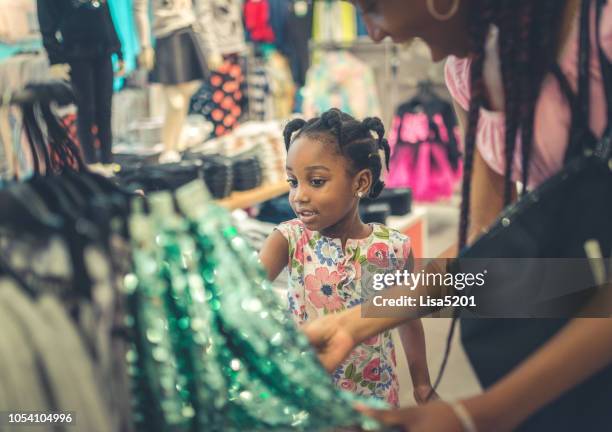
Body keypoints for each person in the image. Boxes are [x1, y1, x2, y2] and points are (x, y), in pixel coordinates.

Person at [303, 0, 612, 431]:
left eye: (372, 9)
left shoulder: (600, 35)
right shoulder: (469, 71)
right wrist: (353, 322)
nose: (372, 34)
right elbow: (479, 244)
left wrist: (479, 414)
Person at [259, 108, 438, 406]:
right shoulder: (289, 240)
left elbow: (407, 317)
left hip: (375, 395)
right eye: (293, 181)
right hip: (309, 397)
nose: (299, 195)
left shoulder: (390, 248)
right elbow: (244, 295)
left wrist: (422, 385)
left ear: (361, 183)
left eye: (316, 181)